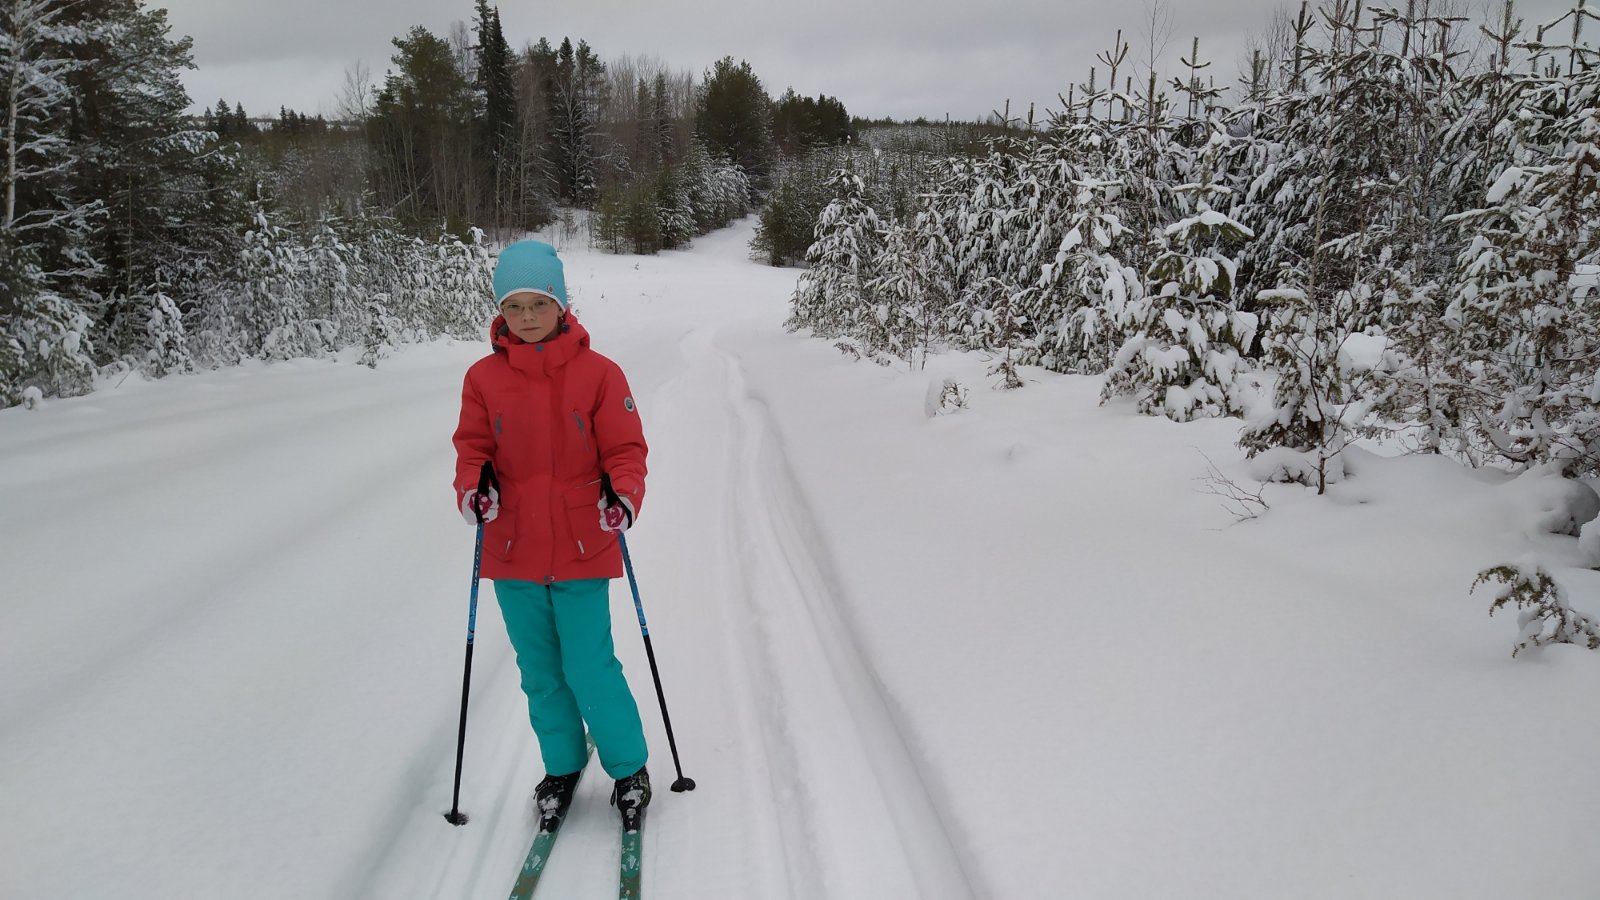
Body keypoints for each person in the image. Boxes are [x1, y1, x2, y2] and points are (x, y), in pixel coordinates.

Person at [452, 239, 651, 827]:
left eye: (539, 303)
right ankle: (561, 764)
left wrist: (623, 493)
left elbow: (626, 449)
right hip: (511, 549)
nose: (528, 317)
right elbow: (471, 448)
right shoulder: (483, 379)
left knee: (589, 665)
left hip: (583, 544)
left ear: (561, 305)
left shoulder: (599, 374)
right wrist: (474, 487)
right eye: (515, 306)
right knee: (539, 669)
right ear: (500, 313)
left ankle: (629, 768)